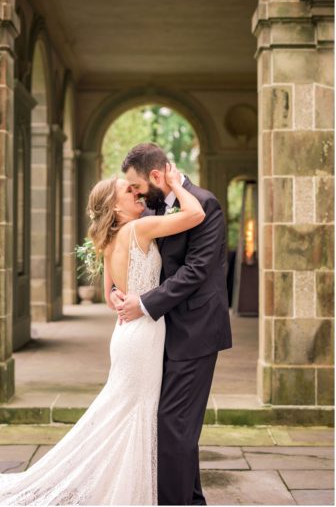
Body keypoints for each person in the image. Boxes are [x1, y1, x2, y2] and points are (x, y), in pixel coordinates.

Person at [0, 162, 205, 506]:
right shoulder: (138, 230)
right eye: (129, 190)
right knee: (135, 411)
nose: (137, 193)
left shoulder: (110, 239)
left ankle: (125, 485)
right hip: (142, 335)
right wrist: (176, 183)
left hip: (128, 333)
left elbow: (111, 296)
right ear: (115, 207)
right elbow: (195, 213)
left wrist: (120, 295)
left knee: (124, 410)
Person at [111, 142, 233, 506]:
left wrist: (145, 303)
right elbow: (134, 256)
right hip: (158, 335)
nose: (134, 193)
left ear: (156, 175)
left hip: (195, 331)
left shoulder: (205, 203)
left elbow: (197, 270)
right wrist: (118, 291)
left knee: (172, 425)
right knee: (174, 427)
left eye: (137, 185)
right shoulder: (152, 207)